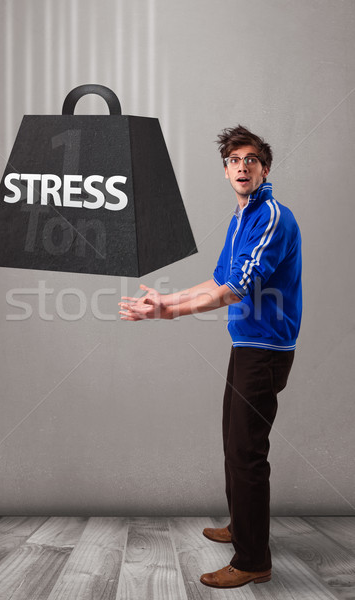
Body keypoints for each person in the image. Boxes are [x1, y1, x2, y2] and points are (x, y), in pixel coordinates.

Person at [119, 125, 302, 589]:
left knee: (246, 452)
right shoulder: (242, 217)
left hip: (265, 349)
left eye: (252, 159)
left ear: (265, 168)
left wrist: (169, 314)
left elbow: (233, 290)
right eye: (235, 160)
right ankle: (243, 527)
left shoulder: (271, 218)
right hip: (247, 345)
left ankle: (253, 559)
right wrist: (166, 303)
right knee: (233, 444)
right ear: (225, 171)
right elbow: (217, 278)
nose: (243, 166)